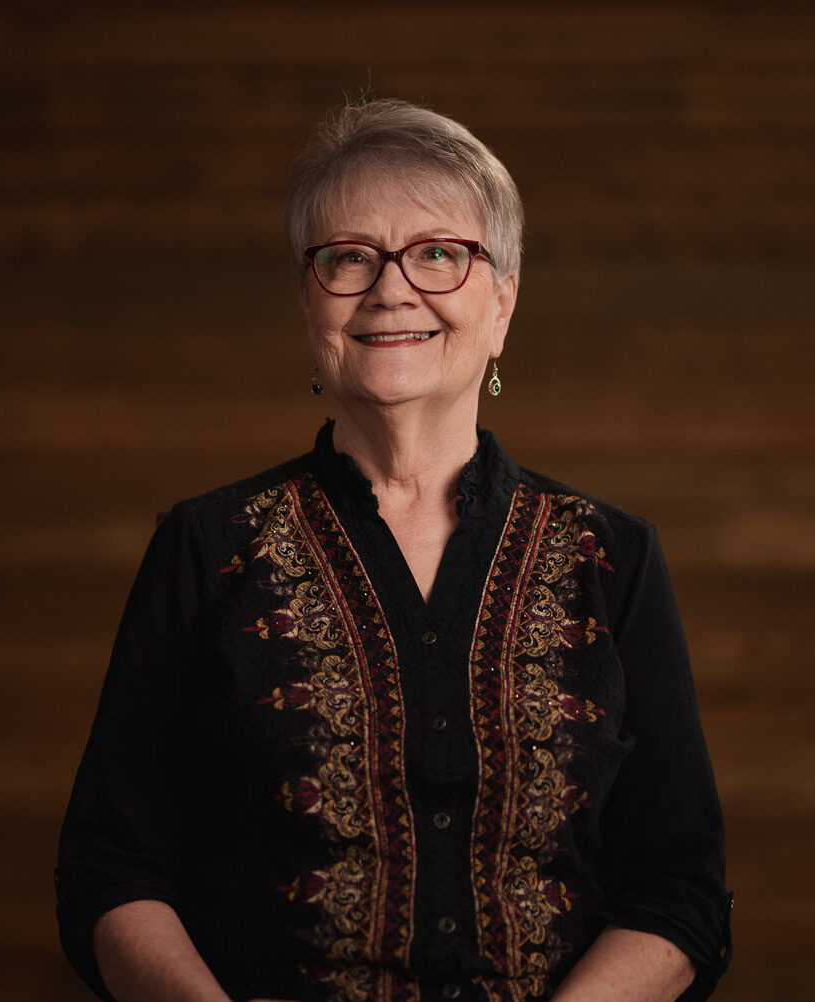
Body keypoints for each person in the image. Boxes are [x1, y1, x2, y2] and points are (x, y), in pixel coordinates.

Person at [56, 98, 731, 1002]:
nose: (390, 289)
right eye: (348, 258)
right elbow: (112, 867)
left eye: (439, 254)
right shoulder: (204, 549)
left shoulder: (612, 559)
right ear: (310, 304)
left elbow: (680, 892)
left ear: (503, 303)